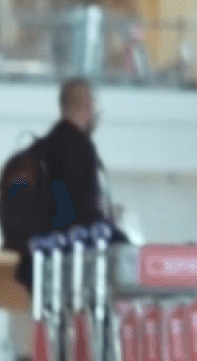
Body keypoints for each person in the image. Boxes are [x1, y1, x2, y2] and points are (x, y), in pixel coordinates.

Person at [8, 78, 125, 290]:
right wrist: (108, 225)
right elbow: (84, 213)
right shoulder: (80, 148)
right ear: (88, 105)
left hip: (37, 262)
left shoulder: (40, 150)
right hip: (71, 264)